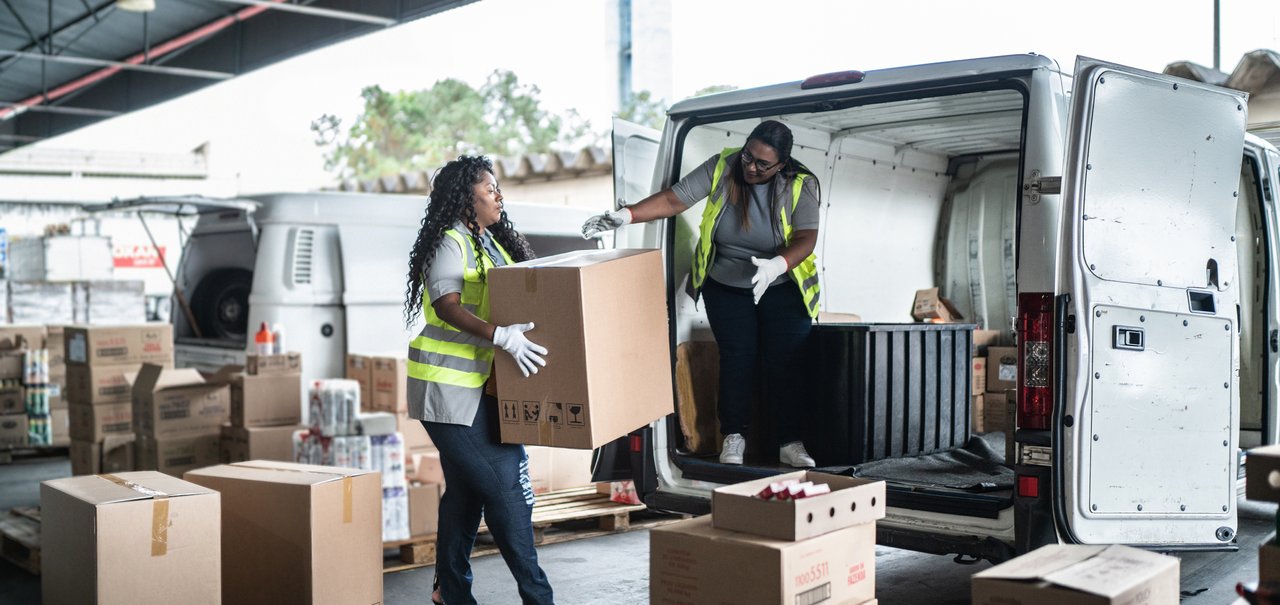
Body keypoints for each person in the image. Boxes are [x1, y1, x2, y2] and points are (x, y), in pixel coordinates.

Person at [582, 120, 821, 468]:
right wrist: (626, 215)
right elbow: (673, 198)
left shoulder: (801, 184)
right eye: (748, 156)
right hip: (726, 284)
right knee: (737, 359)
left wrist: (776, 266)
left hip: (781, 284)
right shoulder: (724, 165)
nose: (751, 167)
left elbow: (806, 238)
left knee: (784, 363)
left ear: (781, 164)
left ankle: (789, 442)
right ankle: (734, 436)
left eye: (762, 164)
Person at [404, 155, 555, 605]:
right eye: (490, 189)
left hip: (484, 391)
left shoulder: (492, 242)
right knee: (509, 490)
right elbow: (448, 303)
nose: (499, 196)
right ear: (466, 199)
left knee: (467, 495)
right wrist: (499, 336)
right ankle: (539, 598)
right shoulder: (451, 241)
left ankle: (450, 592)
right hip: (448, 392)